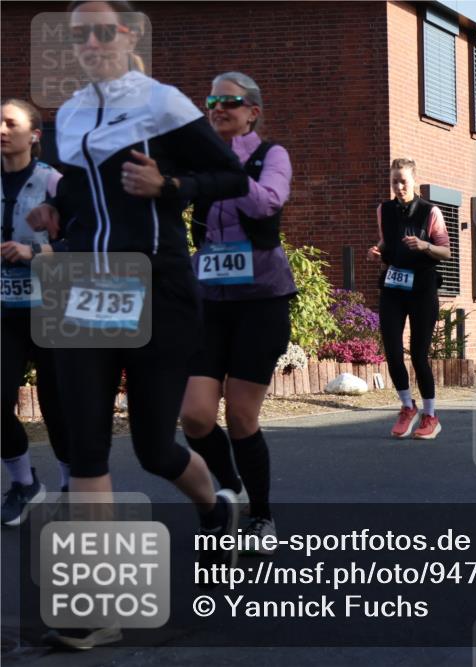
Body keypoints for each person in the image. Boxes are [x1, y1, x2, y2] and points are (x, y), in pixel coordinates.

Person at [26, 0, 249, 647]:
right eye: (79, 36)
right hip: (81, 284)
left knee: (155, 447)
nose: (91, 43)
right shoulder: (66, 116)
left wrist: (169, 185)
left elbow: (229, 176)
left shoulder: (162, 103)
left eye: (104, 31)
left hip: (156, 283)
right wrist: (51, 214)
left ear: (127, 37)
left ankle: (216, 505)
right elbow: (71, 191)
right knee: (85, 444)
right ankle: (97, 606)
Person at [179, 72, 295, 554]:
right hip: (210, 300)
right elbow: (175, 202)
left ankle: (262, 516)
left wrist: (228, 166)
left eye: (230, 101)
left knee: (243, 416)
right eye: (211, 101)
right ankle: (232, 489)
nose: (218, 108)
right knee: (196, 417)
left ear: (253, 112)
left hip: (261, 302)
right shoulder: (202, 158)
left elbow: (269, 202)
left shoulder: (273, 156)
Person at [0, 99, 71, 526]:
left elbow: (83, 240)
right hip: (5, 311)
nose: (2, 131)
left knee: (58, 406)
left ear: (35, 135)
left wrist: (36, 252)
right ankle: (24, 483)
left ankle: (70, 485)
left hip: (51, 308)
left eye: (10, 123)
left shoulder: (54, 183)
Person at [367, 158, 451, 440]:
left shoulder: (430, 211)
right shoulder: (384, 210)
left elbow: (446, 251)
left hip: (422, 286)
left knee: (418, 353)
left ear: (414, 181)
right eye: (394, 182)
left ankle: (430, 415)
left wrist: (425, 245)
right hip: (393, 284)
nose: (399, 186)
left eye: (403, 181)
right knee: (391, 349)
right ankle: (407, 407)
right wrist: (377, 250)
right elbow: (387, 241)